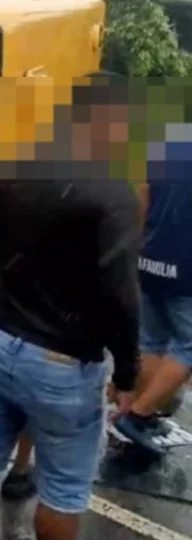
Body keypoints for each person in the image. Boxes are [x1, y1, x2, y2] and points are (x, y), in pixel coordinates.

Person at [0, 75, 141, 540]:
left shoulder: (22, 167)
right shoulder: (114, 193)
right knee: (64, 491)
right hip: (62, 365)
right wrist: (128, 373)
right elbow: (120, 292)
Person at [112, 123, 192, 454]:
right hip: (187, 267)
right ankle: (138, 414)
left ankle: (140, 416)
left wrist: (139, 247)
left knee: (154, 340)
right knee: (188, 347)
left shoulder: (170, 140)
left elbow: (143, 196)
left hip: (152, 257)